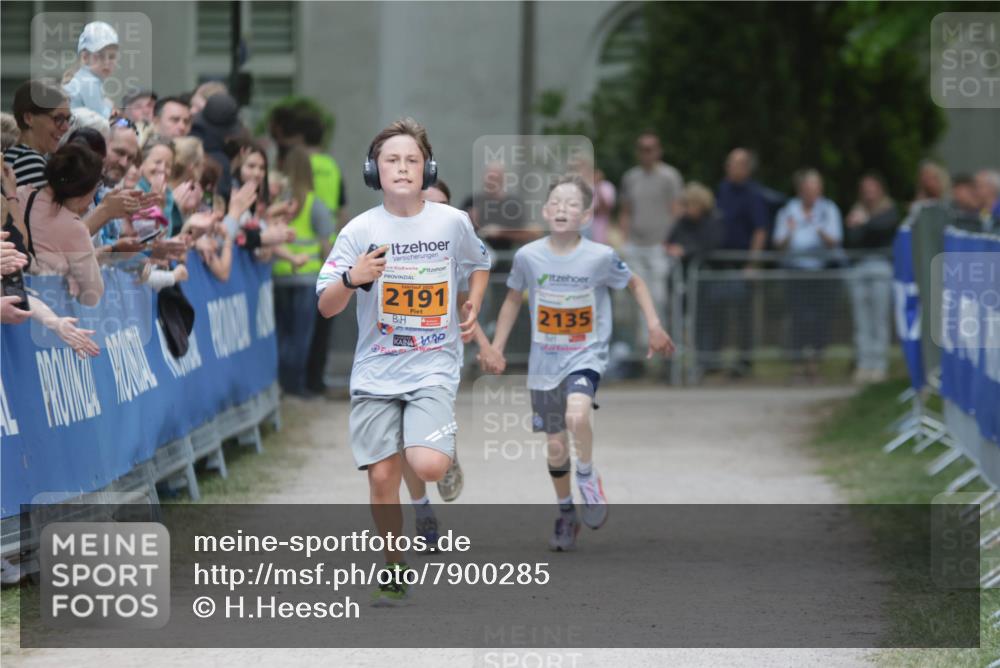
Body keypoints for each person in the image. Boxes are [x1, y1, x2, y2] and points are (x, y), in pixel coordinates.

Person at [316, 119, 490, 604]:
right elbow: (325, 306)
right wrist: (352, 278)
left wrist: (471, 302)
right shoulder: (360, 230)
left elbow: (480, 262)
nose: (403, 168)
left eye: (412, 160)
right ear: (374, 170)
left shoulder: (452, 221)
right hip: (376, 371)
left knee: (429, 465)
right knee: (382, 476)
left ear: (426, 168)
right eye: (392, 160)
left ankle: (440, 447)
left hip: (433, 364)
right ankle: (393, 566)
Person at [483, 175, 674, 551]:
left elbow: (635, 283)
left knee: (577, 416)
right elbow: (511, 300)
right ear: (545, 211)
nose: (563, 209)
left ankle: (586, 474)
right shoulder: (528, 256)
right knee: (555, 448)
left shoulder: (600, 257)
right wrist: (495, 347)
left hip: (584, 356)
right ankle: (566, 512)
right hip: (544, 365)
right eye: (556, 202)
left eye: (572, 205)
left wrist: (654, 324)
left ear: (586, 215)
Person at [271, 146, 335, 397]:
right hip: (307, 277)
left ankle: (281, 384)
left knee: (282, 335)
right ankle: (295, 385)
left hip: (279, 274)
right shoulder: (312, 202)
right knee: (301, 336)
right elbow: (326, 245)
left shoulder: (278, 201)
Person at [772, 169, 843, 382]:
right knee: (797, 318)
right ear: (801, 190)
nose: (811, 193)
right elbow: (778, 244)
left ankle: (814, 365)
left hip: (821, 272)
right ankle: (796, 365)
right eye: (807, 188)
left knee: (820, 320)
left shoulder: (828, 210)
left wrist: (818, 228)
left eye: (815, 188)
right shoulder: (788, 211)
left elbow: (835, 241)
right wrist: (792, 231)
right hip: (796, 272)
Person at [618, 132, 683, 358]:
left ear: (658, 151)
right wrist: (624, 241)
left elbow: (676, 210)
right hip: (635, 245)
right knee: (635, 300)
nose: (646, 153)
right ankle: (640, 350)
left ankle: (662, 345)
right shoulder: (631, 177)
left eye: (650, 148)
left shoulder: (669, 176)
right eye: (642, 149)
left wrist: (672, 240)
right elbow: (625, 211)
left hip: (659, 246)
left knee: (659, 297)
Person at [17, 143, 105, 306]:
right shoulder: (74, 228)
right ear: (82, 191)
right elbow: (93, 294)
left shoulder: (20, 195)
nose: (92, 200)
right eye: (95, 189)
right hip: (48, 315)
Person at [844, 173, 899, 384]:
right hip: (860, 268)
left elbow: (882, 228)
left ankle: (879, 364)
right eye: (865, 188)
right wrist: (864, 225)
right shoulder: (857, 210)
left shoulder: (889, 210)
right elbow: (853, 239)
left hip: (881, 268)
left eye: (872, 188)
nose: (869, 193)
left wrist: (864, 223)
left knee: (879, 320)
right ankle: (864, 363)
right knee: (861, 321)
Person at [5, 80, 71, 187]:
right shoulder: (29, 161)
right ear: (28, 118)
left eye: (68, 119)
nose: (66, 127)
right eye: (58, 119)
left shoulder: (15, 155)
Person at [63, 21, 119, 119]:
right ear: (85, 57)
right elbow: (103, 121)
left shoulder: (84, 78)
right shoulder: (89, 82)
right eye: (100, 56)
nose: (107, 62)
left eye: (112, 56)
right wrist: (110, 106)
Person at [664, 181, 724, 269]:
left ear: (700, 204)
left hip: (709, 272)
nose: (686, 208)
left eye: (688, 204)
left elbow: (709, 245)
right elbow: (671, 240)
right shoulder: (683, 220)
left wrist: (685, 250)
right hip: (683, 272)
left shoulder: (714, 221)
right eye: (685, 204)